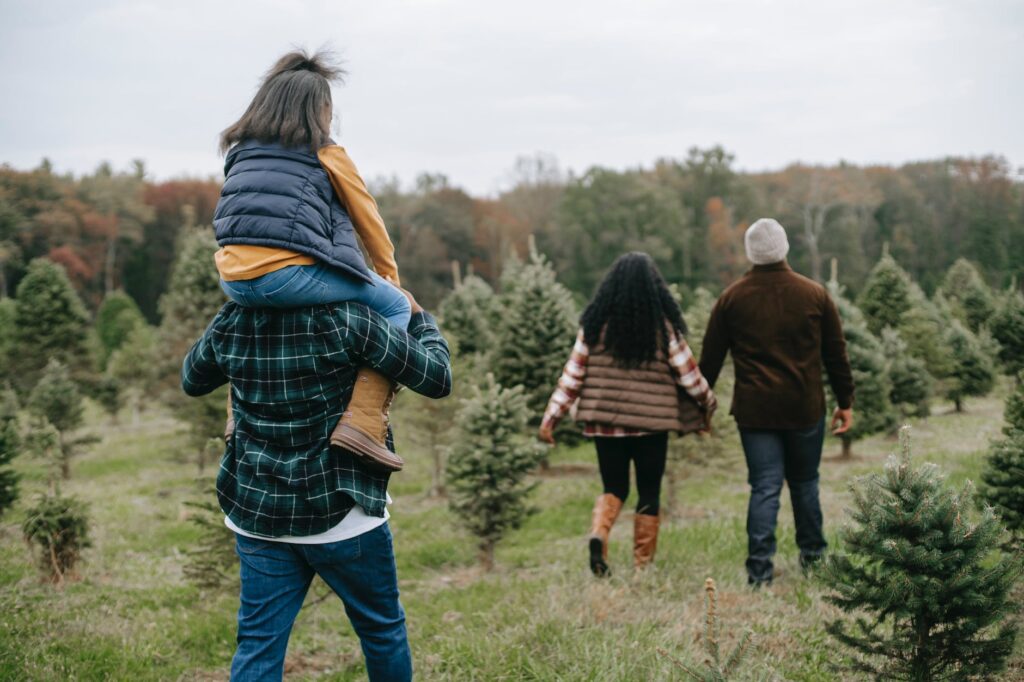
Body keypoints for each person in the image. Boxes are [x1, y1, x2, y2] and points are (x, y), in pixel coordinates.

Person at [182, 286, 451, 681]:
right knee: (381, 629)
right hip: (342, 513)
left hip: (259, 514)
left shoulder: (234, 317)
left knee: (258, 642)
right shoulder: (347, 318)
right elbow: (436, 376)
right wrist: (420, 316)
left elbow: (192, 379)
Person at [212, 49, 410, 472]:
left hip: (234, 281)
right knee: (395, 306)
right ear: (319, 109)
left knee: (250, 324)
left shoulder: (241, 152)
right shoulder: (325, 152)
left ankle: (236, 419)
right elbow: (368, 218)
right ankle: (364, 421)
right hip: (285, 276)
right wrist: (390, 280)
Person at [698, 218, 855, 588]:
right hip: (804, 408)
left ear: (751, 253)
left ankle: (759, 572)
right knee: (805, 484)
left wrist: (701, 408)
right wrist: (845, 401)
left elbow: (709, 363)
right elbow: (837, 354)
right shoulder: (815, 294)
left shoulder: (731, 299)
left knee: (764, 487)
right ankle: (814, 561)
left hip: (755, 412)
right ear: (784, 248)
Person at [538, 252, 716, 575]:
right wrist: (708, 405)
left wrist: (551, 416)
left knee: (614, 487)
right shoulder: (663, 329)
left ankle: (599, 532)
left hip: (604, 426)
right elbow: (690, 377)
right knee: (649, 491)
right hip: (651, 427)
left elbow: (572, 375)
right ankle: (642, 566)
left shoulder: (593, 328)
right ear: (655, 288)